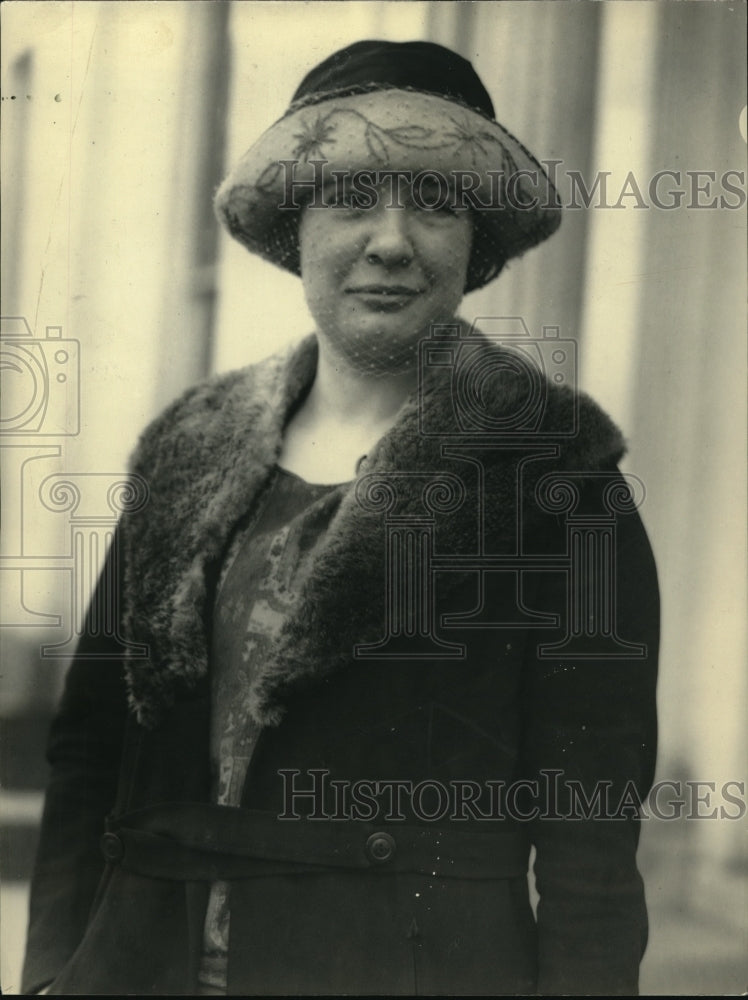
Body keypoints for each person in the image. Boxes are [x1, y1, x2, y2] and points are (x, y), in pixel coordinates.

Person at [22, 40, 659, 996]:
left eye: (435, 202)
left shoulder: (558, 484)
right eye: (352, 196)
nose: (392, 240)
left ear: (477, 239)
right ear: (296, 224)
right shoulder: (188, 451)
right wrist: (46, 975)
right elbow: (88, 754)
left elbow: (591, 845)